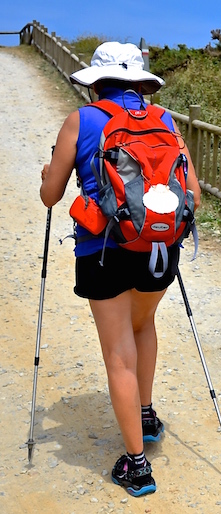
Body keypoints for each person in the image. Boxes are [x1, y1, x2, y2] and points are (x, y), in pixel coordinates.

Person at [39, 42, 201, 497]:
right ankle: (146, 415)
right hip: (159, 247)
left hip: (104, 248)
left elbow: (51, 195)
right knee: (143, 324)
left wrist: (47, 174)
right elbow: (194, 194)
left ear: (98, 82)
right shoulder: (165, 120)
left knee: (117, 351)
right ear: (140, 82)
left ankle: (136, 465)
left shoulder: (83, 120)